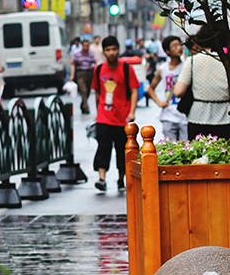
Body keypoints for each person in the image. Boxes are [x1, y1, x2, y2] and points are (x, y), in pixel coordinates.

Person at [91, 35, 138, 192]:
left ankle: (121, 178)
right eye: (108, 50)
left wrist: (132, 112)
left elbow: (134, 91)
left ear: (118, 50)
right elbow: (97, 92)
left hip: (122, 118)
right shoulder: (98, 69)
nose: (111, 53)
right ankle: (102, 178)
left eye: (114, 49)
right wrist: (99, 111)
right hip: (104, 117)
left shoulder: (126, 69)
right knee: (103, 147)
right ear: (103, 52)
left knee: (122, 150)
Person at [174, 24, 230, 139]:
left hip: (197, 117)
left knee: (198, 150)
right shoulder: (227, 61)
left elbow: (178, 91)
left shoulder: (192, 61)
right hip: (225, 117)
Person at [147, 35, 188, 140]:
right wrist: (159, 103)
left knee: (186, 147)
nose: (179, 48)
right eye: (175, 46)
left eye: (180, 45)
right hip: (168, 116)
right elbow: (150, 88)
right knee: (170, 147)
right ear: (167, 51)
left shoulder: (187, 66)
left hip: (185, 117)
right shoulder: (163, 69)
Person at [70, 38, 97, 114]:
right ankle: (86, 107)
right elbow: (72, 64)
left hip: (89, 73)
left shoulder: (91, 54)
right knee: (83, 90)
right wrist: (72, 75)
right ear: (82, 46)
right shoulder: (77, 54)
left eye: (87, 46)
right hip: (80, 74)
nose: (86, 47)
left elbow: (95, 63)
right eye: (84, 46)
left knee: (87, 91)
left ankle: (83, 104)